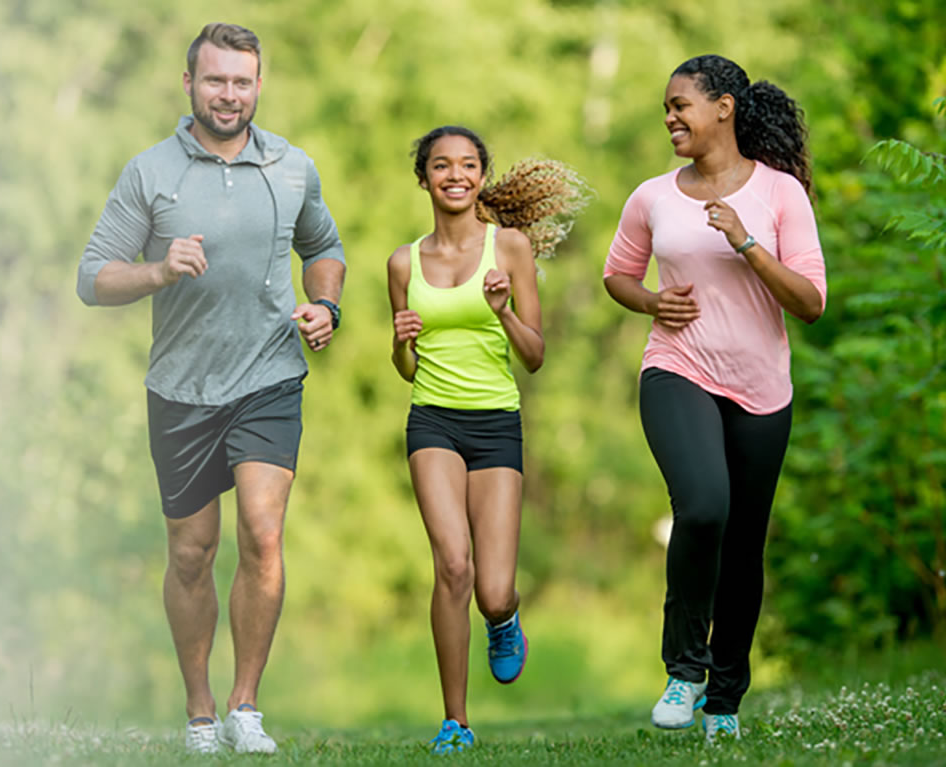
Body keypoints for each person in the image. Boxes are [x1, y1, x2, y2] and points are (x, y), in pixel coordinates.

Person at [75, 21, 346, 755]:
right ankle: (199, 712)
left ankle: (244, 705)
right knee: (192, 552)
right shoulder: (150, 172)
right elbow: (93, 278)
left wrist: (326, 306)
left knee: (263, 532)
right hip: (181, 387)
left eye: (242, 81)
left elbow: (323, 247)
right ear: (189, 83)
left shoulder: (292, 167)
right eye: (216, 80)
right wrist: (159, 270)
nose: (229, 94)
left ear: (259, 86)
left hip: (269, 375)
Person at [602, 54, 825, 744]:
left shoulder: (781, 194)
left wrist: (747, 244)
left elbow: (812, 302)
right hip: (678, 367)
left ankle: (724, 700)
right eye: (666, 108)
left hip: (762, 389)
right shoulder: (652, 196)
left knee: (745, 544)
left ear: (724, 107)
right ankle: (684, 667)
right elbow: (618, 276)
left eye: (681, 105)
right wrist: (652, 301)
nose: (670, 117)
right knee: (702, 506)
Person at [386, 126, 590, 753]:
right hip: (432, 421)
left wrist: (502, 311)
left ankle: (504, 619)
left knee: (491, 588)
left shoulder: (511, 249)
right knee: (451, 564)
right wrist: (400, 340)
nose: (455, 175)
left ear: (481, 175)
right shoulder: (402, 262)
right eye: (441, 166)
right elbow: (406, 368)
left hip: (496, 422)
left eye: (468, 165)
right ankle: (456, 721)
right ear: (423, 178)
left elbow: (535, 356)